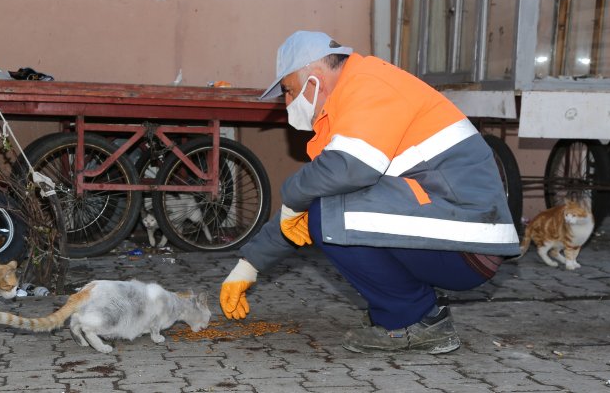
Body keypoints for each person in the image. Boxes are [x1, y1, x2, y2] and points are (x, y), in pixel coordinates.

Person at [219, 30, 520, 354]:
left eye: (290, 91)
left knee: (330, 215)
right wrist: (248, 265)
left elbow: (348, 171)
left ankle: (415, 319)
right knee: (324, 208)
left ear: (314, 79)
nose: (288, 103)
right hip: (458, 234)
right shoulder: (347, 108)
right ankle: (409, 307)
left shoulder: (371, 86)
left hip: (470, 242)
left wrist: (293, 194)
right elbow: (309, 202)